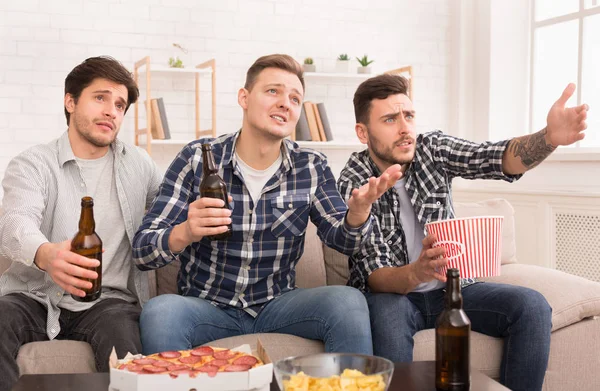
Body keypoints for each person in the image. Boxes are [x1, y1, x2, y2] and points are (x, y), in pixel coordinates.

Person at [132, 54, 402, 355]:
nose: (285, 102)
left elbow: (344, 240)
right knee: (160, 312)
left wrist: (357, 214)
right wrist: (185, 231)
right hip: (207, 307)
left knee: (348, 301)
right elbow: (143, 251)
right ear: (244, 98)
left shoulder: (310, 166)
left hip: (279, 305)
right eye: (273, 91)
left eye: (295, 98)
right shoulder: (197, 159)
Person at [337, 74, 588, 391]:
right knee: (387, 319)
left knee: (533, 306)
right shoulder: (355, 178)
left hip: (452, 289)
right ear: (363, 132)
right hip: (394, 295)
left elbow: (495, 157)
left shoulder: (432, 149)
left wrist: (548, 137)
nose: (404, 129)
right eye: (389, 119)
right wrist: (417, 271)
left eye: (409, 116)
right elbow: (374, 274)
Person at [0, 56, 162, 391]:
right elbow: (15, 221)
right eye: (100, 98)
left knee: (126, 347)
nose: (112, 111)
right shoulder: (33, 163)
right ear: (70, 101)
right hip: (34, 296)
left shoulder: (141, 166)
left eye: (120, 105)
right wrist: (45, 254)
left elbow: (173, 207)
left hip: (108, 304)